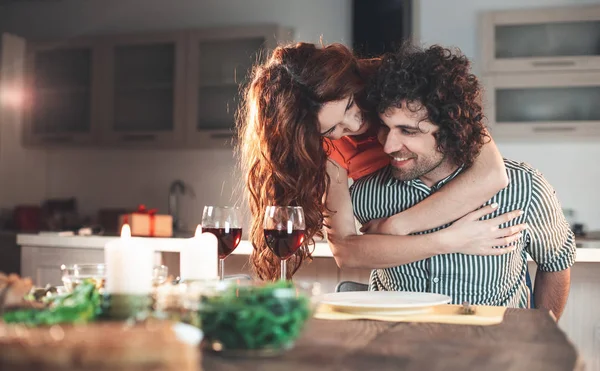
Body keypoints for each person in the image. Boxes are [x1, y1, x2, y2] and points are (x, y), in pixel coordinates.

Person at [238, 42, 525, 281]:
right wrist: (448, 241)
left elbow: (492, 175)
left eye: (349, 105)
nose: (352, 125)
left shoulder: (405, 85)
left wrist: (395, 227)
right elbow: (347, 253)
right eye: (329, 130)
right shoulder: (322, 151)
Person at [339, 43, 575, 315]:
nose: (389, 146)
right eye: (386, 127)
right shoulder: (368, 194)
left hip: (491, 351)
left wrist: (540, 338)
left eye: (408, 131)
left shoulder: (525, 189)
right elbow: (348, 250)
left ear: (451, 130)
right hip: (399, 349)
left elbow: (556, 264)